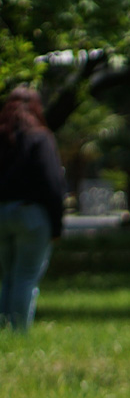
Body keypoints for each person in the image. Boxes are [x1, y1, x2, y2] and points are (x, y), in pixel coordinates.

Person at [0, 86, 65, 331]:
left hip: (1, 214)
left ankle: (4, 329)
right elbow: (52, 183)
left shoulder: (2, 139)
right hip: (31, 215)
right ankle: (18, 332)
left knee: (8, 277)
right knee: (26, 276)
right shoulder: (40, 137)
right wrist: (56, 226)